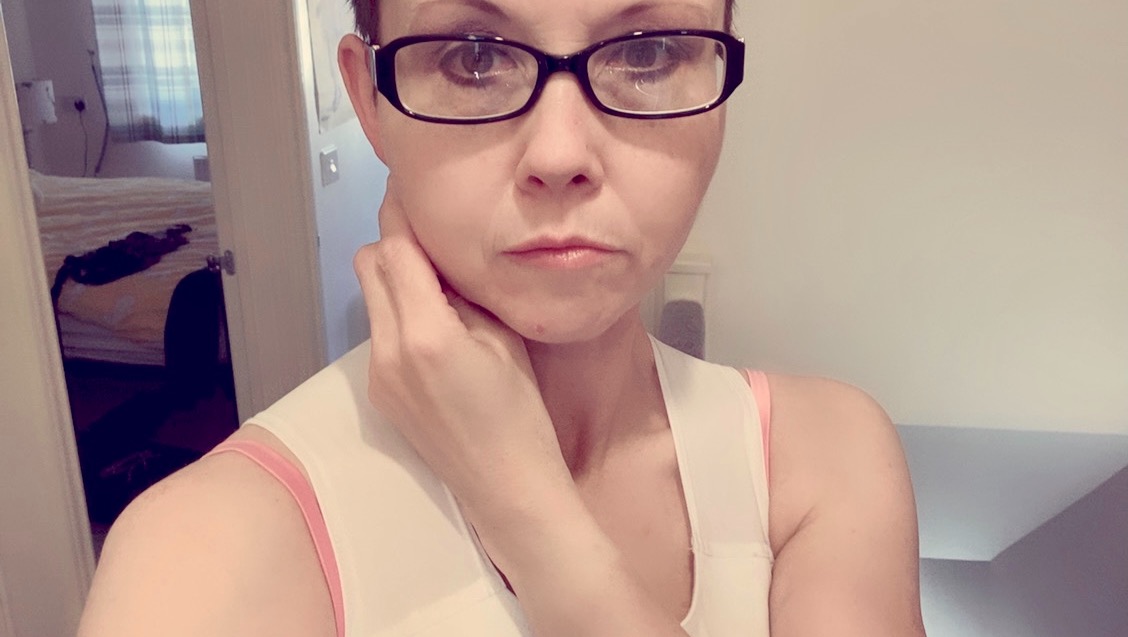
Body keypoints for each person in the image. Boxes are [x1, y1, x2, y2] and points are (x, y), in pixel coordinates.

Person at [77, 0, 927, 635]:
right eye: (474, 58)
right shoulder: (201, 555)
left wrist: (528, 509)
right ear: (369, 99)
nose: (559, 154)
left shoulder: (825, 462)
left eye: (649, 50)